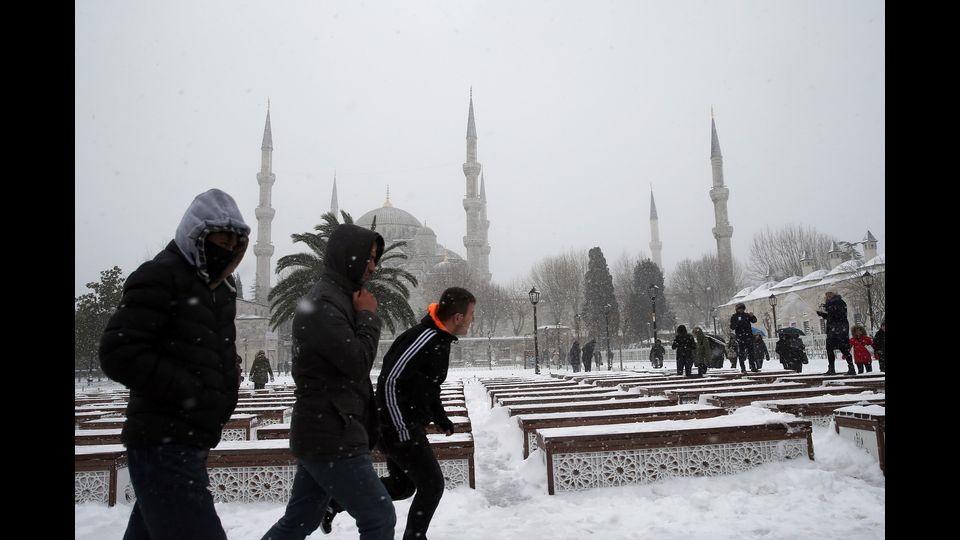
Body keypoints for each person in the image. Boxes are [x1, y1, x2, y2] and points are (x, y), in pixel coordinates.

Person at [98, 188, 250, 540]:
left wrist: (227, 390)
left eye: (233, 245)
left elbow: (219, 352)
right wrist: (191, 392)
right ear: (197, 235)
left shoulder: (221, 290)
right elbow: (118, 352)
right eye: (219, 240)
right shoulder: (160, 275)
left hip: (193, 438)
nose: (225, 251)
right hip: (161, 439)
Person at [261, 223, 395, 540]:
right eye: (369, 258)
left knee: (300, 521)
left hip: (327, 429)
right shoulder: (324, 303)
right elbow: (357, 363)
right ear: (349, 257)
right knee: (379, 516)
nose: (374, 268)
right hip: (331, 432)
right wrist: (369, 317)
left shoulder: (340, 298)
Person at [370, 287, 476, 540]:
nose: (473, 320)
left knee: (402, 486)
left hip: (401, 423)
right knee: (432, 485)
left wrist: (440, 417)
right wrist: (400, 427)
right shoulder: (424, 337)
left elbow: (429, 385)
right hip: (396, 425)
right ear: (458, 317)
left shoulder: (441, 339)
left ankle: (335, 501)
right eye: (472, 314)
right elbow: (391, 380)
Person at [816, 291, 855, 375]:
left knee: (842, 349)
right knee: (831, 349)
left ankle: (849, 368)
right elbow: (832, 316)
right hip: (835, 330)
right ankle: (833, 368)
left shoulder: (838, 302)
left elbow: (837, 315)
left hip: (839, 330)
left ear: (833, 294)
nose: (827, 296)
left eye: (829, 294)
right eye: (826, 295)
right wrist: (823, 315)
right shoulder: (832, 303)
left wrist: (826, 310)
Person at [729, 303, 759, 373]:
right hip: (740, 337)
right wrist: (738, 323)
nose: (741, 310)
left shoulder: (746, 315)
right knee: (741, 353)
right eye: (740, 309)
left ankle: (753, 366)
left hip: (748, 336)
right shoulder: (734, 316)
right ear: (737, 309)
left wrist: (752, 316)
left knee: (751, 352)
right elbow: (732, 327)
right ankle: (743, 368)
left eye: (742, 309)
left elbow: (754, 321)